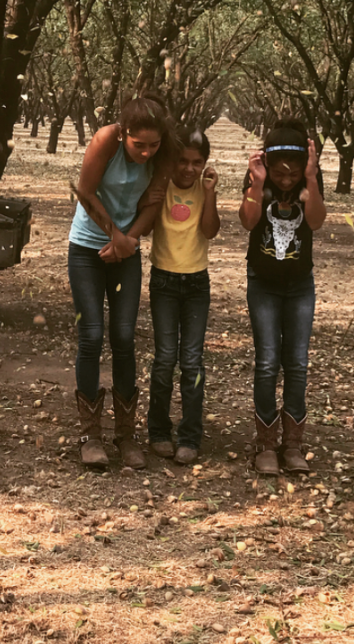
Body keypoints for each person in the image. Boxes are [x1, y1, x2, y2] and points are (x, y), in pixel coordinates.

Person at [69, 94, 174, 470]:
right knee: (92, 335)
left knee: (125, 336)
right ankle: (90, 435)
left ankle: (126, 435)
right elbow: (84, 191)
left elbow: (153, 204)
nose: (147, 153)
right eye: (138, 145)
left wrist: (128, 242)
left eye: (153, 145)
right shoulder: (105, 140)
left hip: (126, 251)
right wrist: (114, 233)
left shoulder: (165, 152)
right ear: (124, 134)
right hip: (87, 249)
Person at [238, 118, 326, 475]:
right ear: (267, 165)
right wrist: (257, 185)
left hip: (300, 285)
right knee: (267, 362)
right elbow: (247, 221)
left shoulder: (308, 181)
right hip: (264, 283)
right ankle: (265, 444)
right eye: (280, 173)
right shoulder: (258, 180)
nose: (286, 179)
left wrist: (311, 177)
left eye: (293, 173)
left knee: (298, 364)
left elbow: (317, 221)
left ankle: (293, 444)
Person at [147, 128, 220, 465]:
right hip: (163, 281)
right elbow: (147, 226)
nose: (188, 168)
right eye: (182, 161)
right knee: (164, 360)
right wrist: (160, 181)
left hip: (195, 286)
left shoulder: (205, 191)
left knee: (191, 362)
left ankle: (189, 436)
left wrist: (211, 194)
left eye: (196, 162)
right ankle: (158, 431)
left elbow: (209, 230)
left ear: (204, 164)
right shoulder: (162, 186)